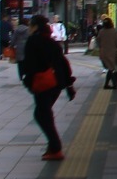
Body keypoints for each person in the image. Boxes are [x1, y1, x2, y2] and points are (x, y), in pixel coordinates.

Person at [17, 14, 74, 161]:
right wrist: (68, 85)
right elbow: (63, 63)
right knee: (44, 113)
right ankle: (53, 146)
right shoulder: (52, 42)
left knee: (42, 114)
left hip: (42, 83)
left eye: (30, 25)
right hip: (56, 83)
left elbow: (29, 64)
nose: (29, 28)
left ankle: (55, 147)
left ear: (35, 26)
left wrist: (27, 80)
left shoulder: (33, 41)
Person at [94, 18, 117, 89]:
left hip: (103, 53)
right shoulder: (114, 31)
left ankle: (110, 84)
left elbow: (98, 41)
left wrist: (101, 46)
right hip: (112, 53)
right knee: (112, 68)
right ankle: (112, 84)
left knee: (110, 68)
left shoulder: (101, 31)